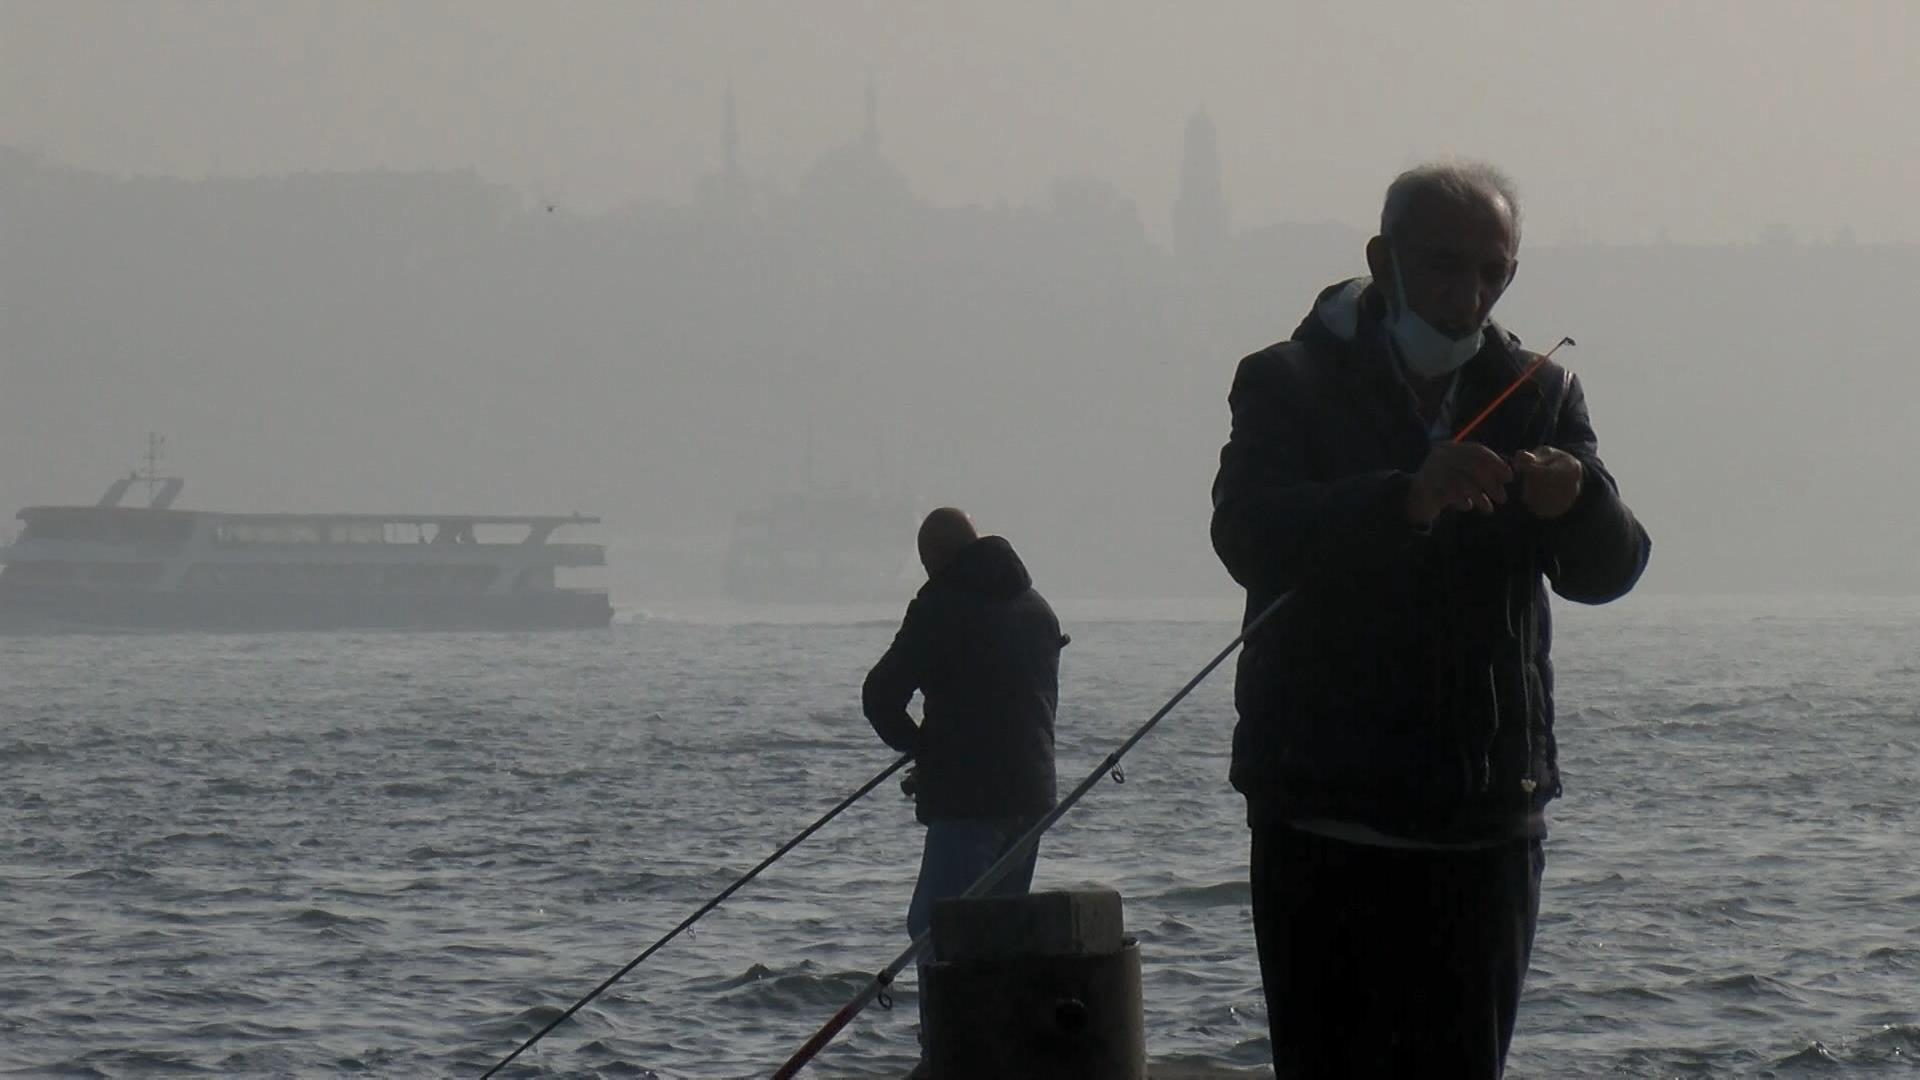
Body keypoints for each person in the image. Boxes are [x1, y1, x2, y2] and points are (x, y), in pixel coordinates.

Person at [1208, 161, 1651, 1078]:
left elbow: (1610, 570)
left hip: (1486, 824)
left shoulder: (1541, 392)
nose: (1469, 293)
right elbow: (1247, 533)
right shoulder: (1285, 380)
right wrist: (1404, 499)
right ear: (1383, 258)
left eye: (1492, 271)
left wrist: (1579, 504)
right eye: (1445, 266)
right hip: (1320, 815)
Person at [861, 507, 1064, 1066]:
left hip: (971, 802)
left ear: (935, 560)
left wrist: (922, 747)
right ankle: (1000, 1051)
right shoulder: (1036, 608)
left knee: (936, 928)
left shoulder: (941, 606)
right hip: (1033, 798)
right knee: (998, 933)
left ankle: (950, 1054)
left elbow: (879, 695)